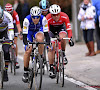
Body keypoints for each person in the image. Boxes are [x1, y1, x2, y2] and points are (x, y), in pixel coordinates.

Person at [22, 6, 51, 83]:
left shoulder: (43, 19)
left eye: (37, 17)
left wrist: (48, 42)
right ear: (31, 16)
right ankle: (25, 71)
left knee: (40, 39)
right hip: (28, 33)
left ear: (40, 16)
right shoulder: (26, 20)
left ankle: (40, 57)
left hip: (38, 31)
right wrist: (26, 44)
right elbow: (24, 35)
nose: (35, 19)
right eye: (33, 17)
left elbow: (46, 33)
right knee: (28, 51)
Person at [46, 4, 74, 78]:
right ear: (51, 14)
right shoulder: (47, 18)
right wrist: (48, 41)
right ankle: (51, 67)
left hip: (61, 28)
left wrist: (70, 38)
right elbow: (47, 31)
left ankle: (63, 54)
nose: (56, 17)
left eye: (57, 15)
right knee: (51, 47)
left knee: (62, 38)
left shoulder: (64, 16)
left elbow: (68, 29)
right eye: (54, 15)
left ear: (60, 13)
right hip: (51, 29)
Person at [5, 3, 23, 69]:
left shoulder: (15, 14)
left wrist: (20, 33)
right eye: (8, 13)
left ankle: (16, 59)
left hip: (14, 26)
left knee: (15, 43)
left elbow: (18, 24)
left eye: (11, 12)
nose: (10, 14)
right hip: (6, 27)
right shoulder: (4, 15)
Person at [0, 6, 14, 81]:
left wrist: (11, 40)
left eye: (0, 19)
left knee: (6, 51)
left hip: (4, 33)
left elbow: (11, 29)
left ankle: (5, 70)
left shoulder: (8, 16)